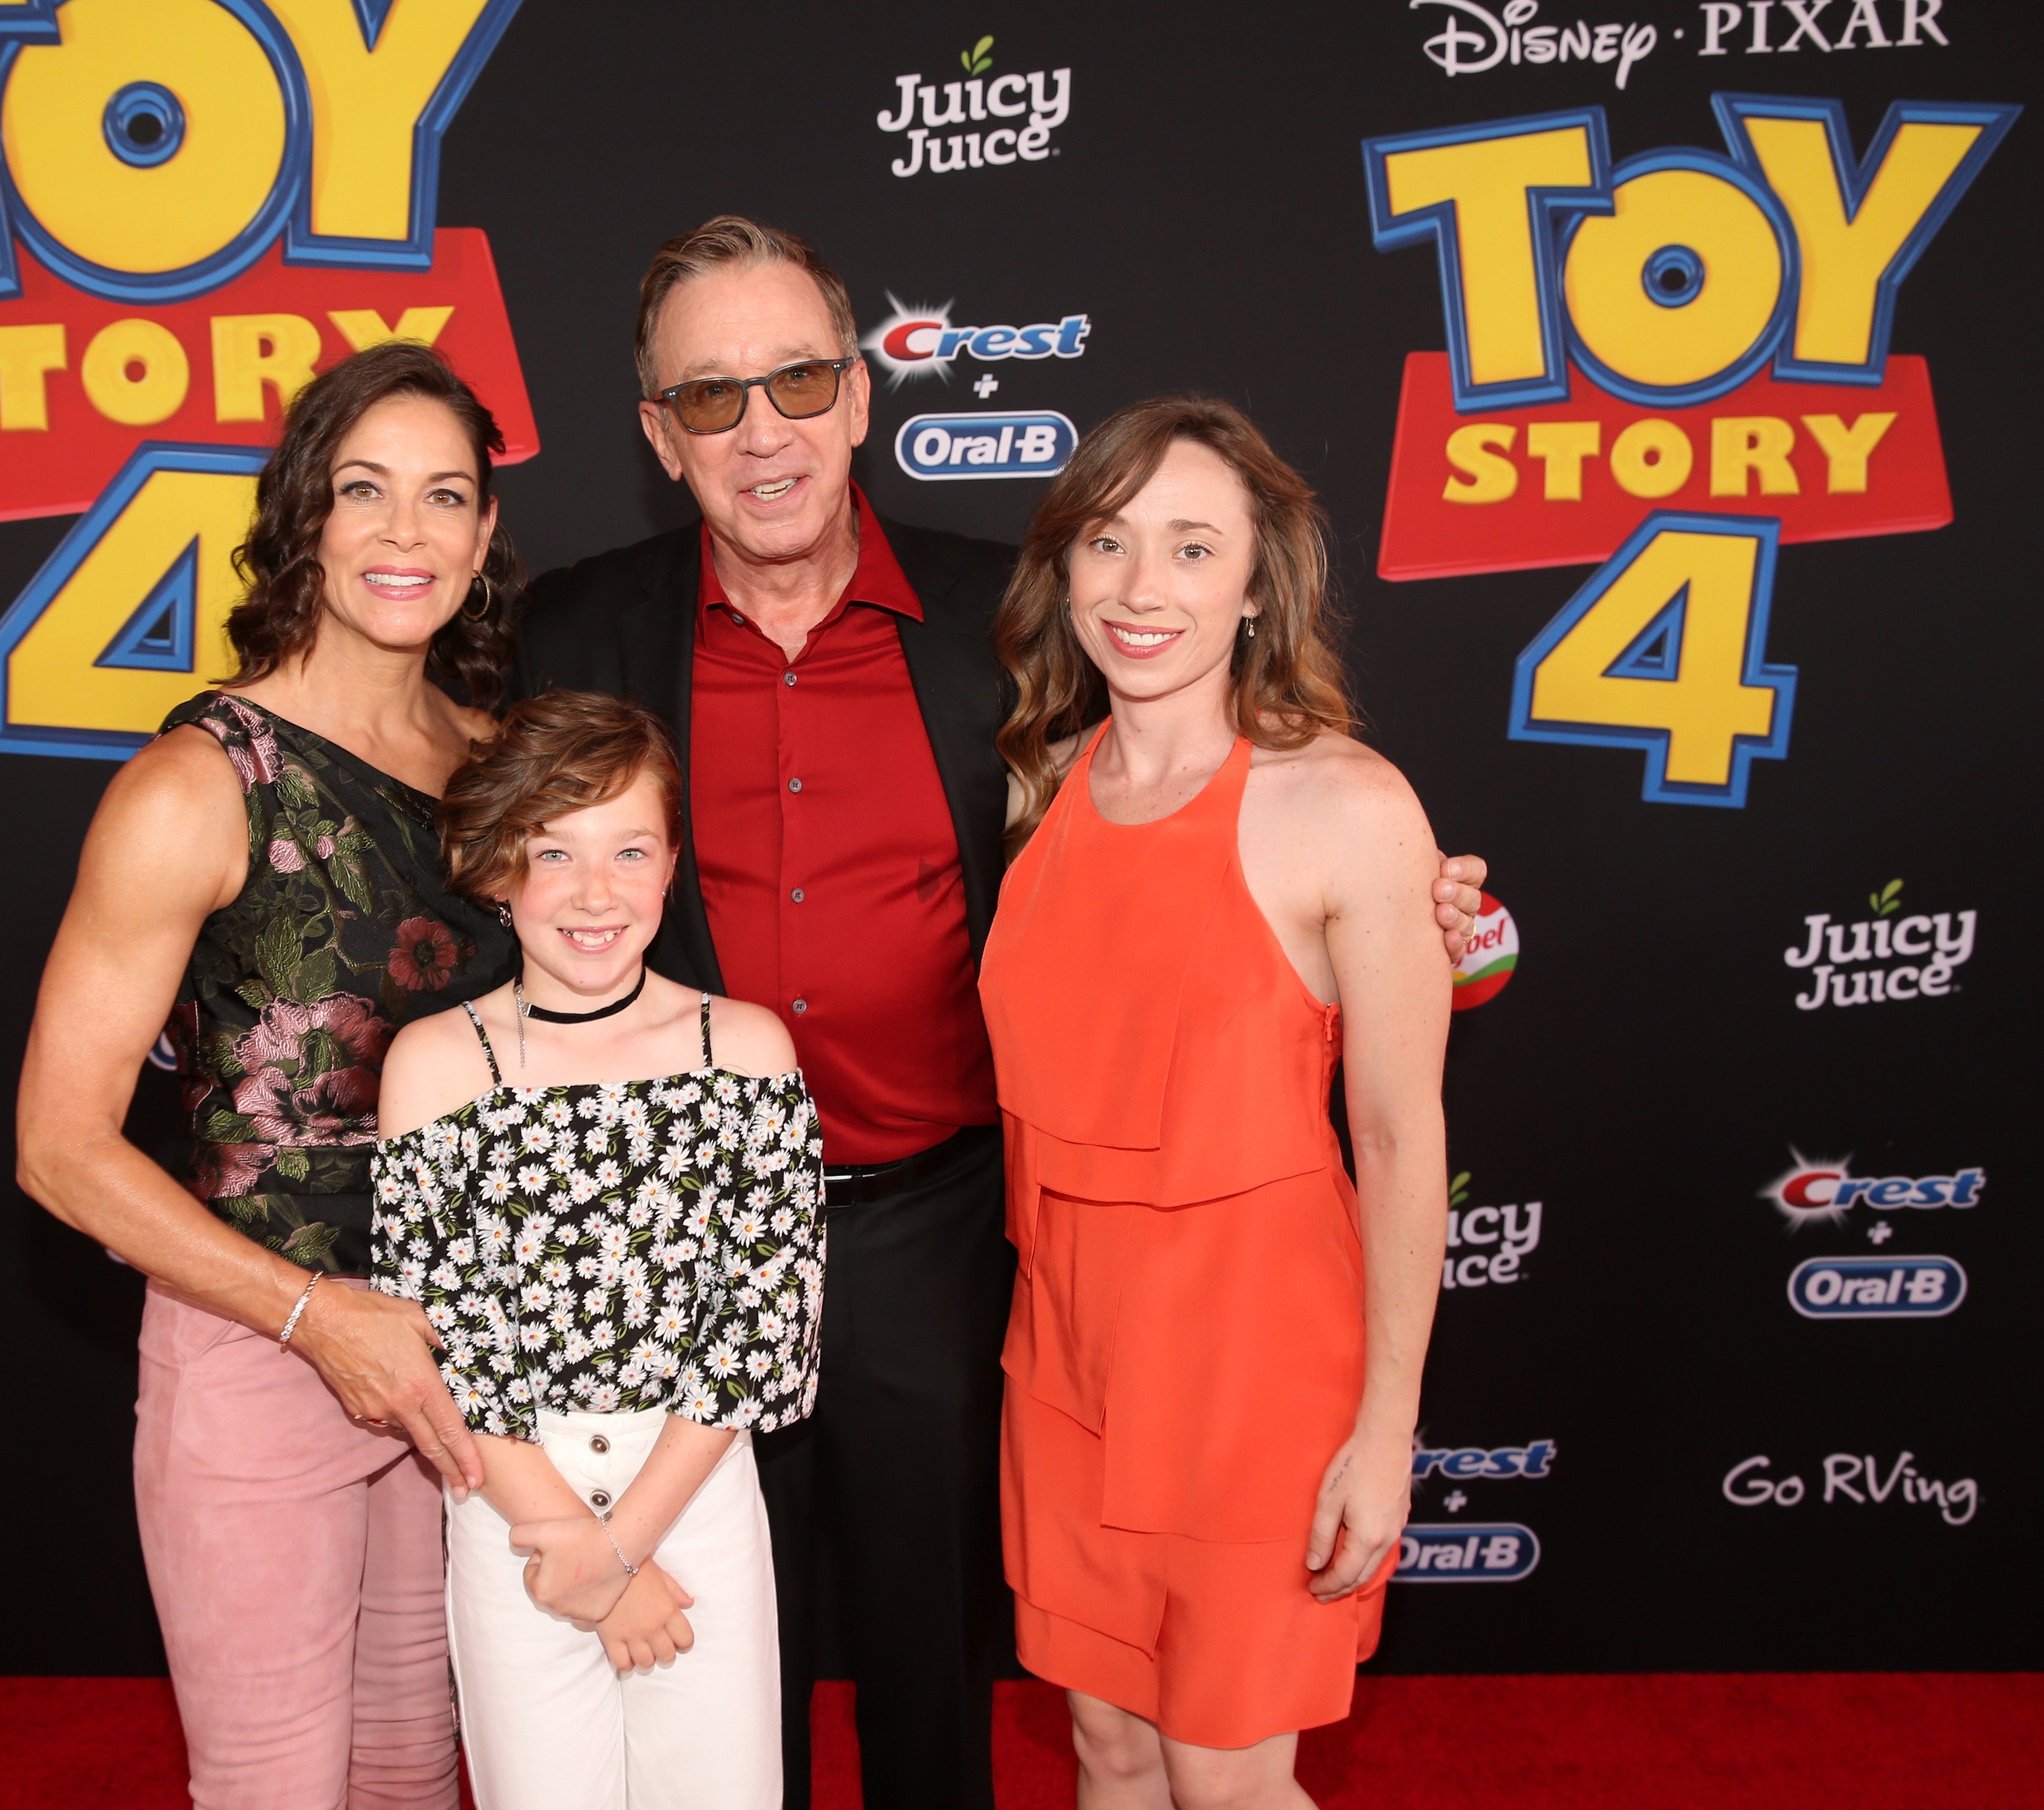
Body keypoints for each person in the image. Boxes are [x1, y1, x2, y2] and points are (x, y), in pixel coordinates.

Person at [513, 215, 1490, 1810]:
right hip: (685, 1231)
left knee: (943, 1668)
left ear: (858, 397)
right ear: (657, 435)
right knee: (682, 1665)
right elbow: (503, 858)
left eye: (797, 380)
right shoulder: (574, 634)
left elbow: (1236, 809)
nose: (762, 431)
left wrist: (1427, 904)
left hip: (950, 1241)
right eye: (711, 399)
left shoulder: (1008, 627)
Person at [14, 341, 523, 1810]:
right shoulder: (197, 782)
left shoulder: (495, 766)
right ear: (305, 510)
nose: (405, 533)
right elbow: (57, 1146)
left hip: (452, 1360)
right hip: (260, 1344)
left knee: (413, 1773)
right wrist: (315, 1316)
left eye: (444, 497)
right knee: (274, 1787)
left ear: (485, 535)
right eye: (366, 490)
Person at [980, 397, 1450, 1809]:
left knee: (1227, 1773)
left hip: (1257, 1378)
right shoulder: (1045, 782)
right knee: (1110, 1749)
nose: (1142, 588)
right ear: (1065, 569)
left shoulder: (1351, 806)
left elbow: (1397, 1135)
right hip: (1067, 1359)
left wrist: (1387, 1427)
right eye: (1111, 543)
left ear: (1259, 585)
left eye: (1194, 549)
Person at [372, 690, 825, 1809]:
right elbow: (447, 1341)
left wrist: (623, 1545)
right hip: (510, 1506)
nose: (594, 894)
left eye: (630, 850)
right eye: (552, 852)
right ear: (496, 869)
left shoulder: (745, 1046)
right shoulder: (435, 1064)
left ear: (674, 863)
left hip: (697, 1496)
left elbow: (762, 1329)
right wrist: (573, 1543)